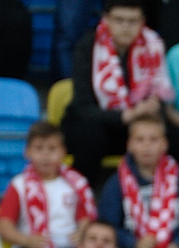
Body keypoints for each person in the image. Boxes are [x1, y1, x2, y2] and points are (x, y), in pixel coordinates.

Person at [60, 0, 170, 183]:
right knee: (91, 136)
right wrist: (125, 116)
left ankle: (165, 199)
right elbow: (83, 107)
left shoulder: (154, 46)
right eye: (119, 20)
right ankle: (82, 199)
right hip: (93, 122)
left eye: (133, 21)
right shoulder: (88, 46)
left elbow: (162, 94)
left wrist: (153, 106)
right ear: (106, 20)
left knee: (172, 138)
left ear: (142, 21)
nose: (126, 27)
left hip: (135, 125)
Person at [0, 121, 96, 248]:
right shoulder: (19, 185)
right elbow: (4, 225)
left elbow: (85, 217)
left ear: (63, 152)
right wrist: (26, 240)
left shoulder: (76, 183)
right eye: (39, 148)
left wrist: (82, 232)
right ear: (27, 152)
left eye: (52, 149)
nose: (45, 155)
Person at [98, 114, 179, 248]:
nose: (146, 146)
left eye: (153, 140)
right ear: (130, 145)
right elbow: (108, 226)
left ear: (164, 145)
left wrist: (178, 245)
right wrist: (133, 243)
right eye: (140, 140)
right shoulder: (117, 183)